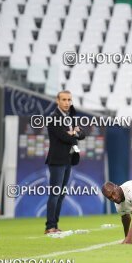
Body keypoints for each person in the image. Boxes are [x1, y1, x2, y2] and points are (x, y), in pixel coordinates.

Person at [44, 90, 85, 234]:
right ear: (57, 101)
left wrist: (74, 133)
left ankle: (55, 225)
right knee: (55, 193)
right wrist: (74, 133)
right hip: (57, 161)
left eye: (69, 100)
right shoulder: (53, 118)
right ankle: (50, 226)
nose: (67, 103)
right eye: (64, 100)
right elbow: (64, 137)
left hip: (67, 160)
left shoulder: (70, 118)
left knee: (61, 195)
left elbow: (82, 134)